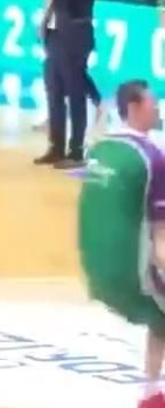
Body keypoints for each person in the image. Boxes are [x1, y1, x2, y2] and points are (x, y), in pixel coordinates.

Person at [77, 80, 165, 408]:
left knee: (161, 317)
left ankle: (152, 392)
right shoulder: (152, 158)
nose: (157, 108)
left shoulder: (99, 149)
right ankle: (152, 393)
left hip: (93, 266)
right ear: (134, 108)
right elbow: (160, 240)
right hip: (131, 269)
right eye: (152, 103)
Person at [20, 0, 101, 168]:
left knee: (75, 94)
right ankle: (55, 146)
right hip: (54, 36)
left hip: (75, 38)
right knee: (53, 92)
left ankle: (76, 151)